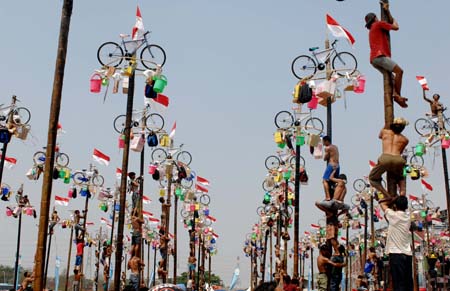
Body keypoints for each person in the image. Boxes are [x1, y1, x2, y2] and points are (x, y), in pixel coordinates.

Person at [365, 2, 407, 108]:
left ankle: (395, 94)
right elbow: (396, 27)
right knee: (399, 71)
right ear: (375, 18)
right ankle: (397, 95)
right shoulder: (378, 24)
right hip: (380, 56)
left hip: (374, 60)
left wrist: (387, 11)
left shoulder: (372, 29)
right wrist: (389, 13)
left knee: (392, 78)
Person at [369, 117, 409, 200]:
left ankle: (387, 195)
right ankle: (402, 196)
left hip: (385, 158)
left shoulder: (385, 132)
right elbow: (400, 151)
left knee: (372, 178)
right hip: (398, 159)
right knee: (401, 179)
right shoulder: (405, 139)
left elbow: (379, 136)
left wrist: (387, 125)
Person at [379, 195, 413, 291]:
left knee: (398, 283)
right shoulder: (408, 217)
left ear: (395, 206)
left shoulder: (393, 215)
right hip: (407, 254)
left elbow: (382, 203)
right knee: (408, 282)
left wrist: (392, 199)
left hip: (396, 253)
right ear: (406, 206)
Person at [322, 136, 339, 201]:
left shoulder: (327, 148)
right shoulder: (335, 147)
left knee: (324, 180)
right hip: (337, 165)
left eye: (323, 142)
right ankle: (335, 196)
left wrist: (325, 157)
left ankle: (328, 197)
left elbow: (325, 158)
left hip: (331, 165)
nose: (323, 143)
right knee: (334, 181)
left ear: (326, 141)